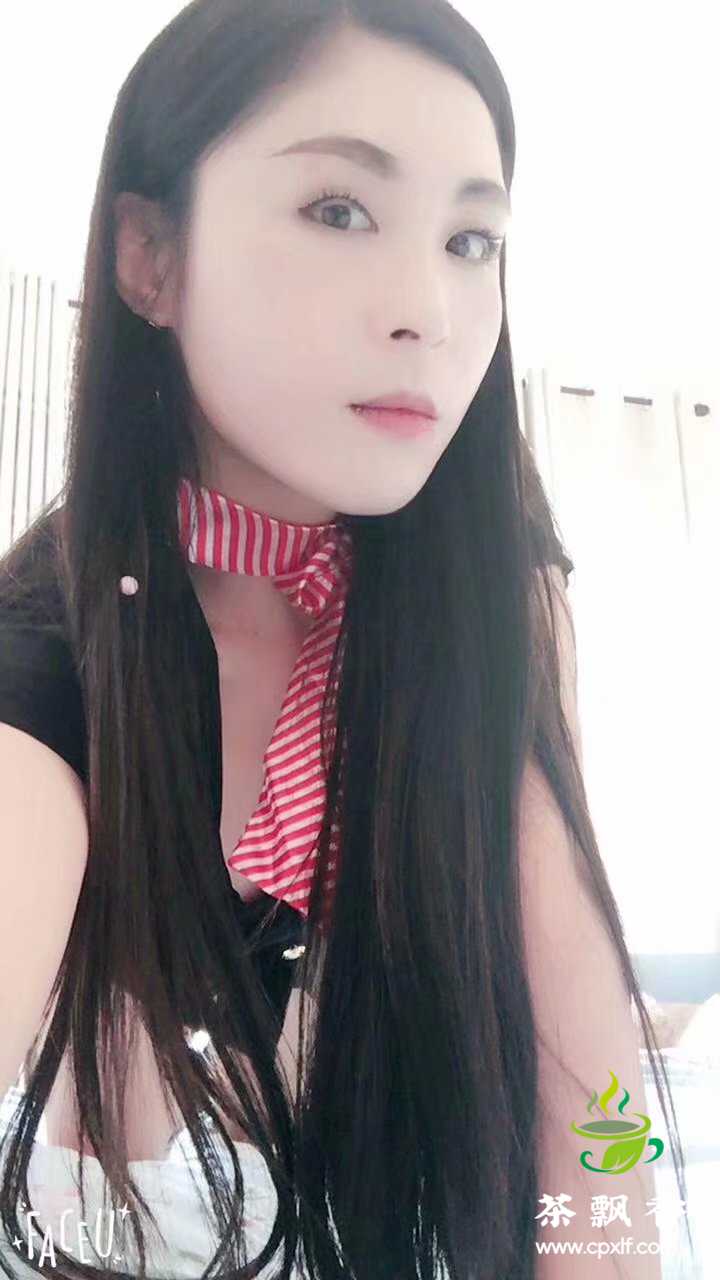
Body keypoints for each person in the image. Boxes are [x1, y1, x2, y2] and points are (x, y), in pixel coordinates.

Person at [0, 2, 691, 1278]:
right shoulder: (45, 657)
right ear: (150, 256)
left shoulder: (494, 598)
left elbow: (587, 1084)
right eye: (337, 209)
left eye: (471, 240)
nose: (429, 308)